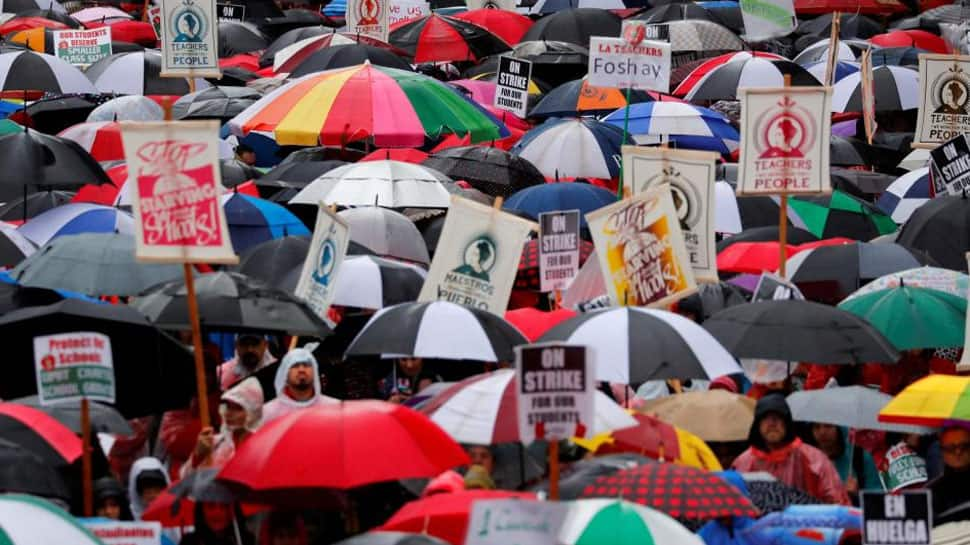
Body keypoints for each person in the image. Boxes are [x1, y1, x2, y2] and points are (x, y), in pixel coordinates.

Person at [732, 394, 849, 505]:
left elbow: (836, 501)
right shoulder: (743, 463)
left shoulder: (814, 460)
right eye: (766, 418)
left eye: (778, 418)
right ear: (757, 425)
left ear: (787, 423)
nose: (772, 424)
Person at [182, 377, 264, 477]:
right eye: (228, 406)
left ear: (252, 412)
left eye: (238, 408)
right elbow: (185, 480)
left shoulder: (262, 447)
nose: (229, 413)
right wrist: (198, 455)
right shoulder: (213, 443)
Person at [262, 348, 340, 424]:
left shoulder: (334, 407)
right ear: (285, 373)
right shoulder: (269, 412)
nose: (301, 370)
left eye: (306, 365)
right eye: (295, 366)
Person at [806, 423, 882, 501]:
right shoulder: (806, 460)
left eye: (828, 426)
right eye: (816, 427)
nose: (822, 432)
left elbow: (876, 497)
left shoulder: (859, 456)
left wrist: (857, 495)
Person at [929, 423, 970, 524]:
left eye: (963, 446)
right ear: (942, 452)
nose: (958, 452)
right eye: (951, 448)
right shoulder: (931, 493)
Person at [179, 502, 253, 545]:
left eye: (224, 506)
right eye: (211, 506)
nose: (217, 513)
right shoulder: (189, 542)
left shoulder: (245, 540)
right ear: (201, 511)